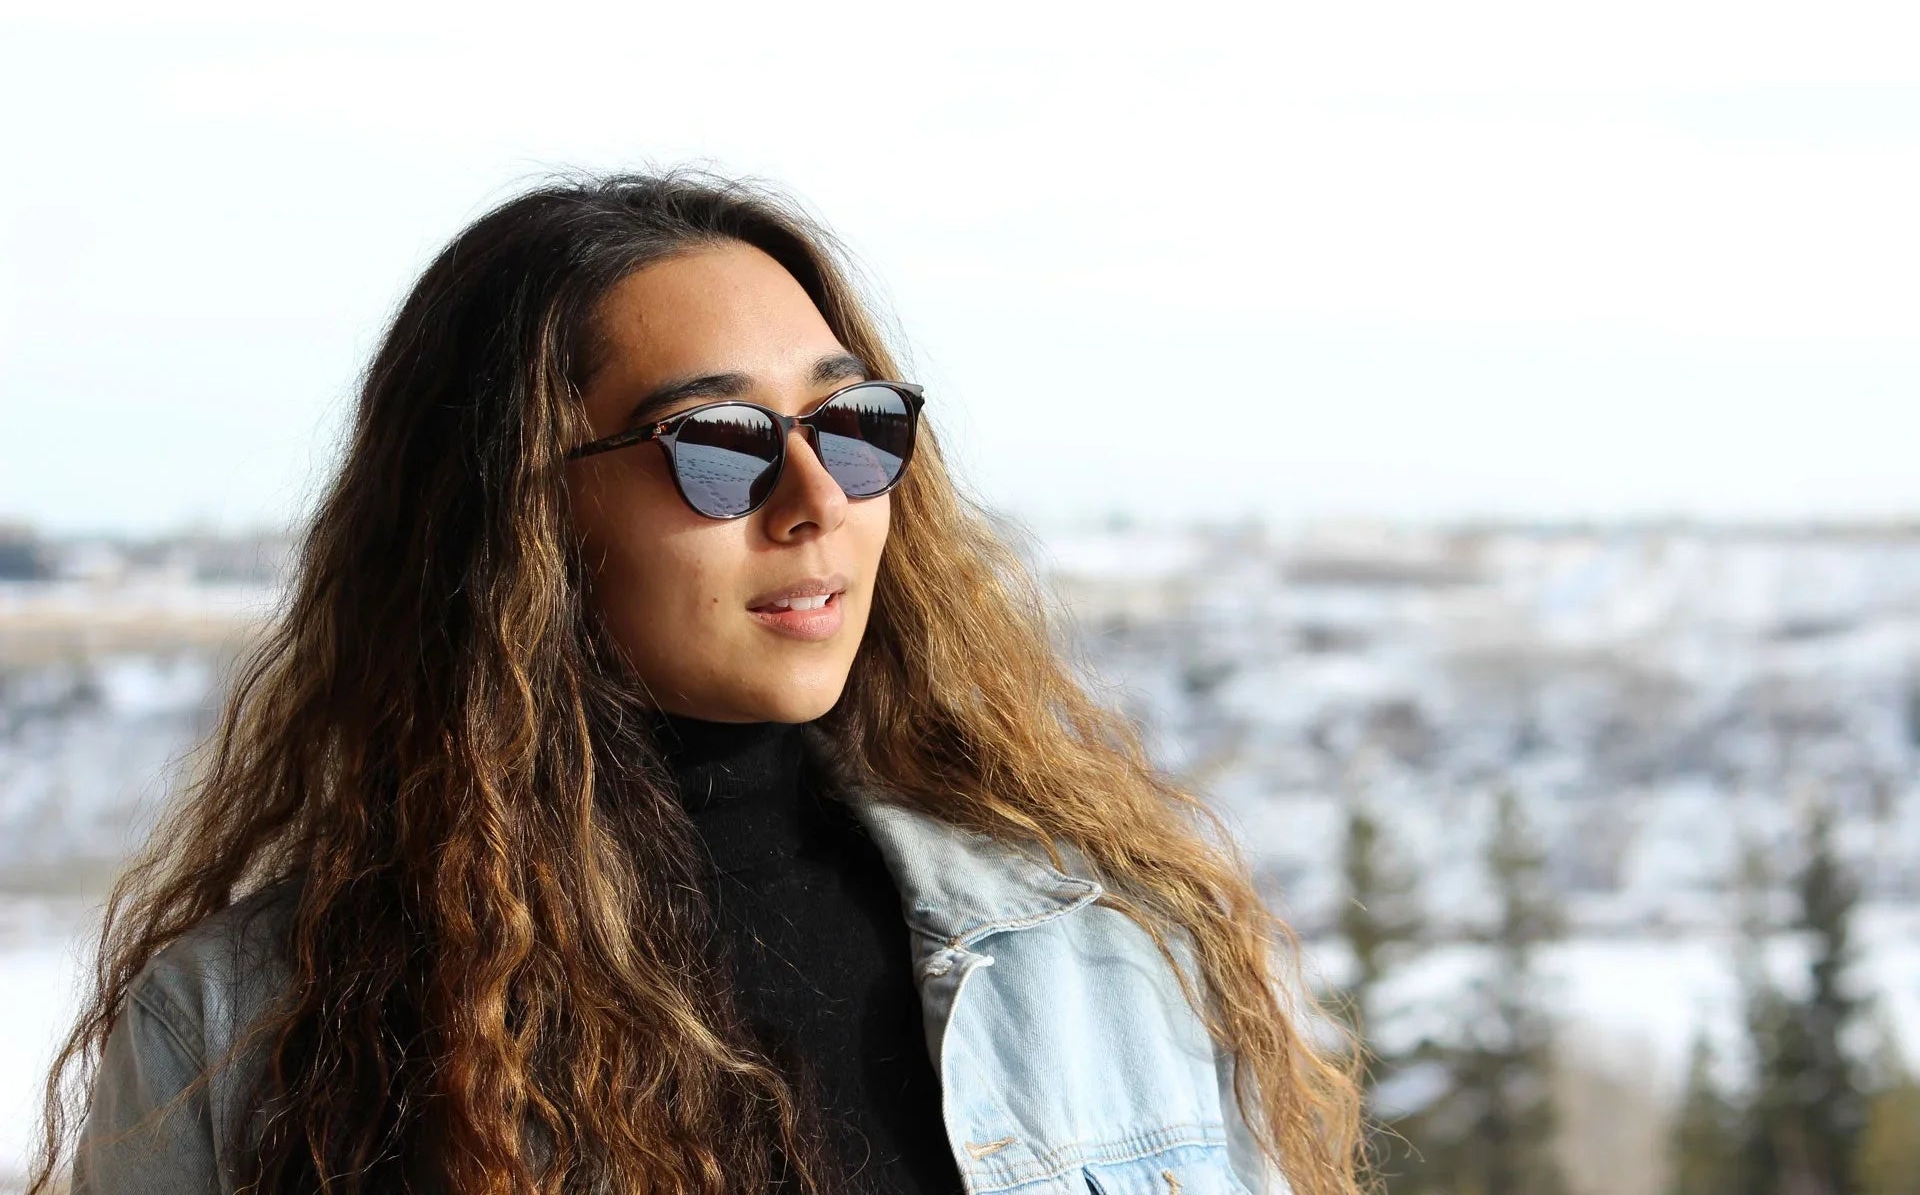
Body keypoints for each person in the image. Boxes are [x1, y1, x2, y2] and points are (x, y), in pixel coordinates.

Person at [27, 168, 1367, 1195]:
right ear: (516, 518)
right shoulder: (249, 1026)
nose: (814, 501)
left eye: (855, 426)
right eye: (717, 446)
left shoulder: (1089, 955)